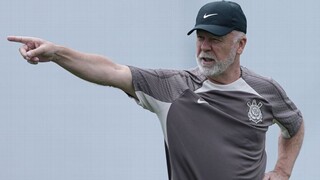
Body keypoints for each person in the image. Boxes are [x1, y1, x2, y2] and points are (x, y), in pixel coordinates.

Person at [8, 1, 304, 180]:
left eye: (215, 39)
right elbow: (111, 70)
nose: (204, 47)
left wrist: (282, 171)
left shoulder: (266, 91)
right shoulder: (172, 87)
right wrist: (57, 53)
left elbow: (294, 126)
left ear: (240, 45)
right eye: (200, 38)